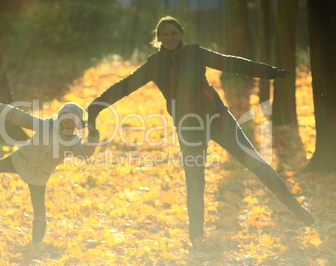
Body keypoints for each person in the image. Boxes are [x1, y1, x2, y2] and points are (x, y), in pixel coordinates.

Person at [87, 16, 314, 248]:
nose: (170, 38)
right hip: (189, 129)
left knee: (257, 163)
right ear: (158, 39)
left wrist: (269, 72)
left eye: (174, 33)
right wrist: (96, 106)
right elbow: (125, 86)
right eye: (165, 35)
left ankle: (299, 211)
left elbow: (230, 63)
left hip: (218, 118)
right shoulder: (154, 64)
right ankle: (196, 237)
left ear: (181, 33)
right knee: (195, 182)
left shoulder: (196, 52)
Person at [0, 100, 100, 244]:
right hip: (19, 160)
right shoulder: (45, 125)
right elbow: (19, 117)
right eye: (66, 115)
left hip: (39, 175)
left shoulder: (72, 141)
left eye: (72, 118)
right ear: (60, 115)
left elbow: (84, 154)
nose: (68, 120)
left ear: (77, 123)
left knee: (39, 211)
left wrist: (93, 135)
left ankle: (36, 243)